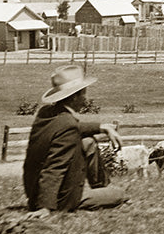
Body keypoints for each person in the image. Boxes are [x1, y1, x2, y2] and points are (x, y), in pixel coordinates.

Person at [23, 64, 128, 213]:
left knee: (88, 142)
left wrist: (101, 127)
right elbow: (54, 168)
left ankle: (101, 187)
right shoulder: (68, 125)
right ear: (74, 97)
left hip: (33, 193)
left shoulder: (46, 113)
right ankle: (104, 191)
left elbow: (72, 128)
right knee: (119, 194)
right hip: (61, 199)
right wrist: (44, 207)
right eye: (83, 94)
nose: (85, 99)